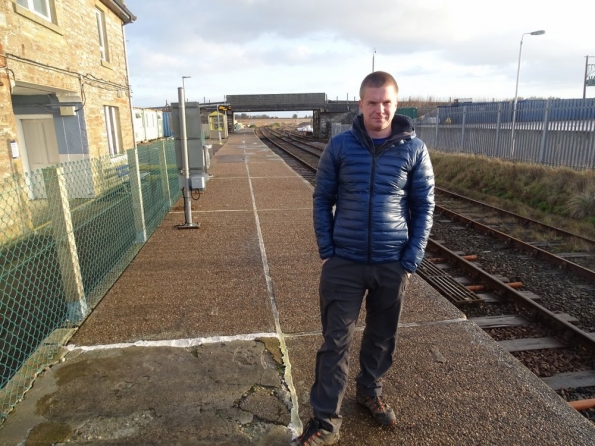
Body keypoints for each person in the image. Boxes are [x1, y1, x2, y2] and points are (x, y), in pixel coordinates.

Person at [291, 71, 435, 445]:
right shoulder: (339, 147)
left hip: (392, 262)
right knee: (334, 342)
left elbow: (424, 206)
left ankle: (369, 391)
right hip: (345, 263)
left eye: (387, 102)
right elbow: (322, 198)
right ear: (361, 104)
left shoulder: (414, 149)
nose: (380, 109)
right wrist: (328, 252)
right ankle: (324, 422)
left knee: (382, 336)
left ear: (396, 104)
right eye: (372, 102)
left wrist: (411, 257)